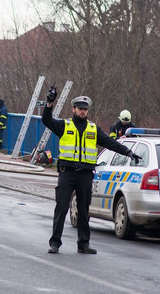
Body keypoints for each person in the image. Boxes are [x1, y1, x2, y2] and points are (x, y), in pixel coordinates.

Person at [42, 86, 141, 254]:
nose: (82, 112)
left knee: (83, 210)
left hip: (85, 175)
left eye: (85, 110)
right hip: (67, 173)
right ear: (73, 109)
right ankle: (55, 243)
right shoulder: (64, 125)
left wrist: (128, 152)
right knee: (61, 208)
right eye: (80, 109)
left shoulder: (93, 129)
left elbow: (111, 143)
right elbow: (46, 120)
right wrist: (50, 103)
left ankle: (83, 244)